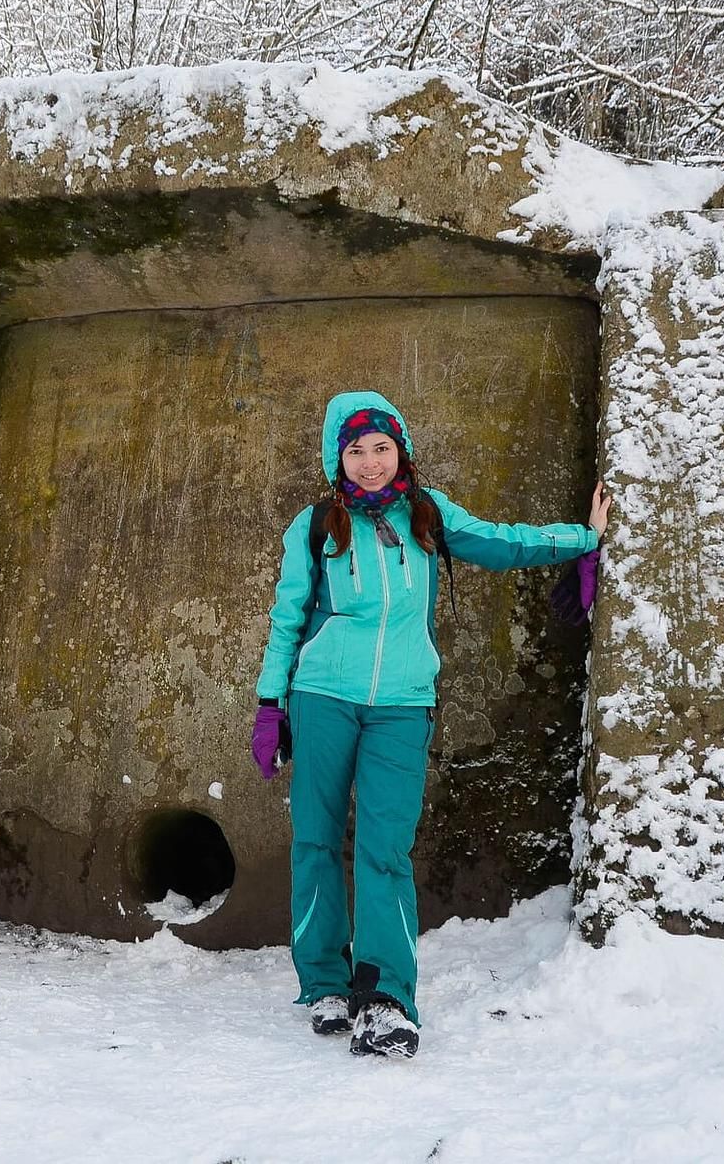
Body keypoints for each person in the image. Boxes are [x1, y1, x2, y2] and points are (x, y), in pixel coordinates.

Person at [252, 390, 610, 1059]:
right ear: (338, 457)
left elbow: (501, 544)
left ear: (401, 449)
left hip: (403, 704)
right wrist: (271, 705)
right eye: (355, 450)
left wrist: (582, 538)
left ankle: (387, 997)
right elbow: (286, 618)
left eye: (380, 447)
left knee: (384, 849)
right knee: (317, 842)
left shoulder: (427, 514)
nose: (369, 463)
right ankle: (325, 981)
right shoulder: (313, 526)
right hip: (321, 696)